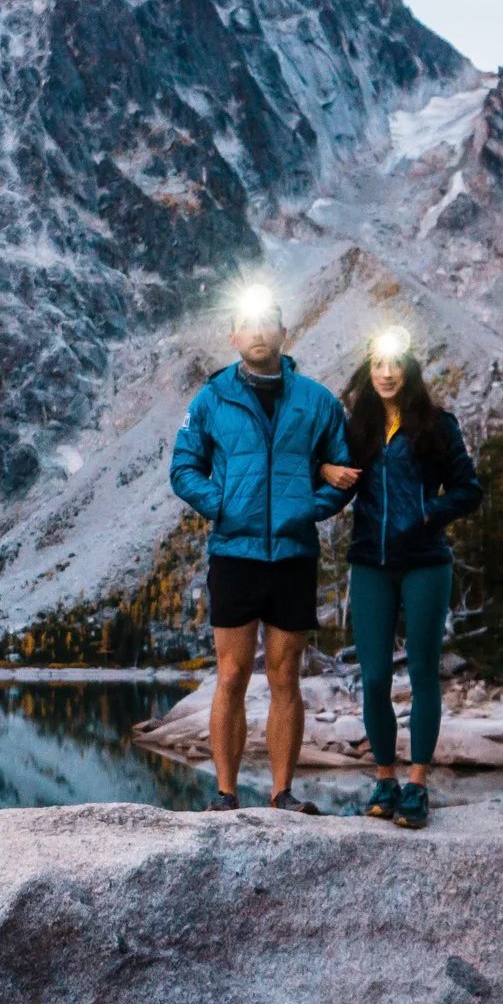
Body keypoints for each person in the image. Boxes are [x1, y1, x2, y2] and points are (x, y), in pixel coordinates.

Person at [169, 288, 353, 813]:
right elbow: (184, 468)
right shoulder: (211, 399)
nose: (256, 333)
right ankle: (225, 794)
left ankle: (282, 793)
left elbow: (344, 470)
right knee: (230, 675)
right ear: (232, 336)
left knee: (285, 677)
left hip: (293, 555)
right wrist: (223, 505)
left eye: (266, 322)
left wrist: (306, 508)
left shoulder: (316, 400)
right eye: (246, 324)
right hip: (234, 552)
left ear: (282, 331)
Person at [317, 327, 483, 829]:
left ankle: (417, 785)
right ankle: (385, 779)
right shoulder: (357, 428)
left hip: (426, 562)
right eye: (377, 365)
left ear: (409, 367)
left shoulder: (437, 425)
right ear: (369, 371)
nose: (386, 374)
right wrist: (324, 471)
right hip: (370, 562)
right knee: (373, 678)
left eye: (395, 365)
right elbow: (339, 481)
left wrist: (427, 512)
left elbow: (468, 490)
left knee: (425, 673)